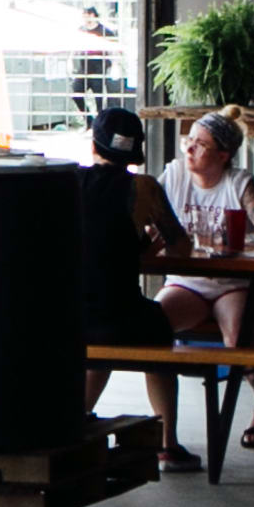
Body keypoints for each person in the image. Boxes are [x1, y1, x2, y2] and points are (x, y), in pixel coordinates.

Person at [152, 109, 254, 465]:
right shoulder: (174, 175)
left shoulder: (238, 182)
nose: (190, 149)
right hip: (188, 281)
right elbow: (152, 224)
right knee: (153, 326)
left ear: (223, 155)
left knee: (237, 337)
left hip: (233, 282)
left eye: (200, 144)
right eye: (189, 141)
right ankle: (168, 440)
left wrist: (228, 240)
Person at [82, 107, 196, 414]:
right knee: (157, 327)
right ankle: (167, 441)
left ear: (94, 146)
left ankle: (77, 420)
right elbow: (181, 249)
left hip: (67, 319)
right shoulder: (142, 187)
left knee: (104, 330)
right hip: (116, 318)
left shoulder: (68, 181)